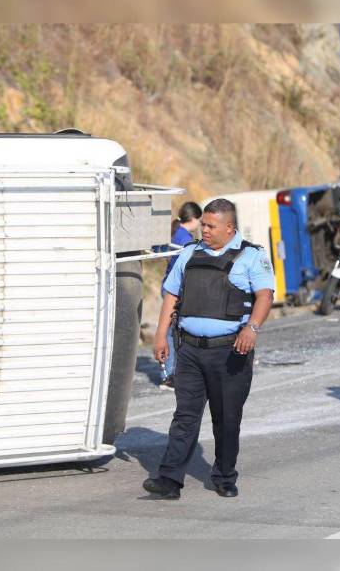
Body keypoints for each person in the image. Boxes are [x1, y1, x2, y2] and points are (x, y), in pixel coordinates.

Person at [143, 199, 275, 499]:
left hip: (230, 352)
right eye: (203, 224)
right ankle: (169, 479)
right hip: (190, 350)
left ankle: (224, 477)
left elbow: (265, 296)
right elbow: (171, 295)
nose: (204, 230)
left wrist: (252, 328)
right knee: (185, 416)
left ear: (229, 228)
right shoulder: (190, 253)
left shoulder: (251, 256)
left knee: (226, 418)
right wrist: (161, 335)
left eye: (211, 226)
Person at [159, 201, 203, 391]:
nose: (201, 225)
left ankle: (171, 373)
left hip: (167, 285)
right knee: (174, 332)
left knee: (172, 331)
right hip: (177, 289)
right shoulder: (186, 239)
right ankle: (170, 376)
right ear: (193, 219)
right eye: (200, 220)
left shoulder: (175, 233)